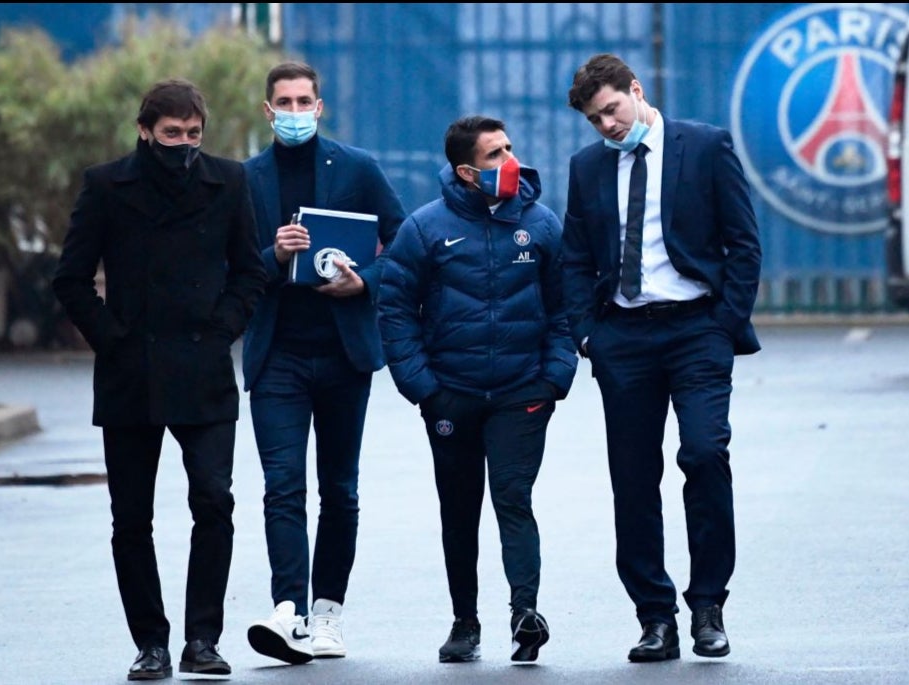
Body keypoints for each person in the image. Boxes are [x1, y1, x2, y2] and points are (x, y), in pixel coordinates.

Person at [52, 78, 266, 680]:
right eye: (172, 134)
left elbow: (250, 272)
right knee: (131, 517)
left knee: (214, 502)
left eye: (193, 134)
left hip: (202, 368)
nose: (183, 144)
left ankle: (203, 640)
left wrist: (222, 329)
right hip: (130, 372)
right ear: (145, 130)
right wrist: (114, 339)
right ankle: (151, 643)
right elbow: (69, 278)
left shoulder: (228, 180)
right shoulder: (106, 185)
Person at [561, 53, 762, 663]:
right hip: (622, 339)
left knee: (704, 454)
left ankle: (708, 607)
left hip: (697, 328)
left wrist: (724, 324)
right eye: (596, 120)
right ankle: (655, 617)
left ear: (636, 91)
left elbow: (744, 243)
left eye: (613, 110)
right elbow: (573, 257)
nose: (608, 127)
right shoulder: (588, 168)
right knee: (633, 480)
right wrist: (588, 335)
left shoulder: (703, 147)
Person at [378, 115, 578, 664]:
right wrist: (424, 389)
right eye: (495, 154)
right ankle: (465, 623)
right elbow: (394, 309)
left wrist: (555, 375)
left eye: (510, 148)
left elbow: (565, 305)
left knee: (513, 498)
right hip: (452, 395)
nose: (509, 161)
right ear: (466, 171)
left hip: (522, 392)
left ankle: (525, 613)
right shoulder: (423, 228)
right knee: (459, 509)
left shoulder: (540, 225)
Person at [241, 61, 406, 664]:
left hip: (343, 353)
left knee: (339, 490)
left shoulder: (357, 168)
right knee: (282, 487)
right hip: (277, 353)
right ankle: (289, 610)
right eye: (282, 102)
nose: (293, 111)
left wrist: (365, 283)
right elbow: (231, 267)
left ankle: (328, 613)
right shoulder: (247, 179)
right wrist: (271, 253)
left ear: (320, 106)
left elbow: (405, 244)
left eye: (303, 100)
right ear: (267, 111)